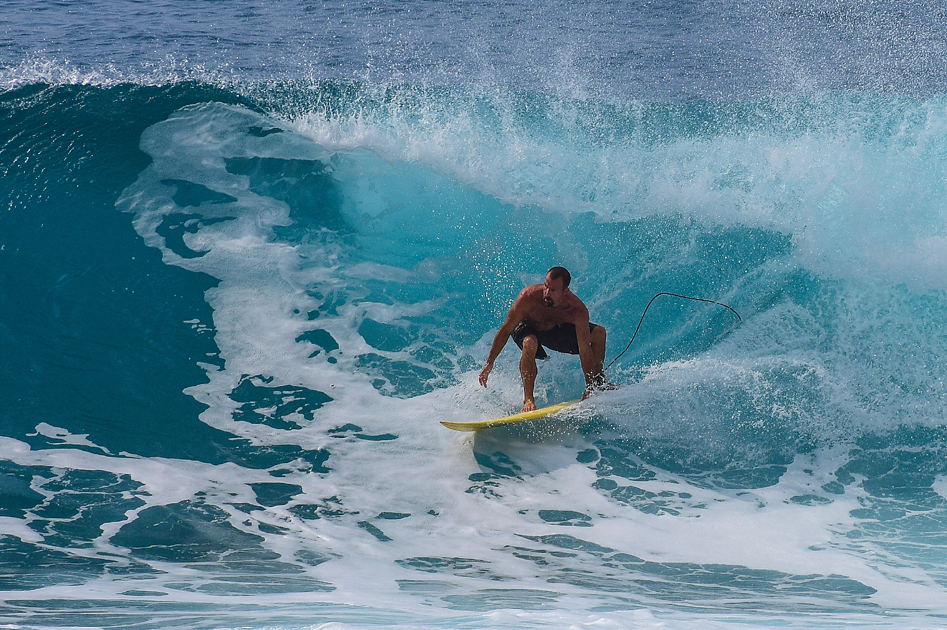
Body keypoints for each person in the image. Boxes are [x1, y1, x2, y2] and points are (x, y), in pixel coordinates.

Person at [479, 266, 608, 412]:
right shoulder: (527, 297)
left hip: (553, 330)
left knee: (599, 333)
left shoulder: (577, 310)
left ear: (565, 292)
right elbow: (506, 329)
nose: (546, 293)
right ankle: (528, 399)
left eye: (553, 290)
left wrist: (589, 386)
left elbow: (584, 349)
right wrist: (490, 362)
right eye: (546, 286)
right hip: (526, 328)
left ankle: (598, 385)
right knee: (530, 342)